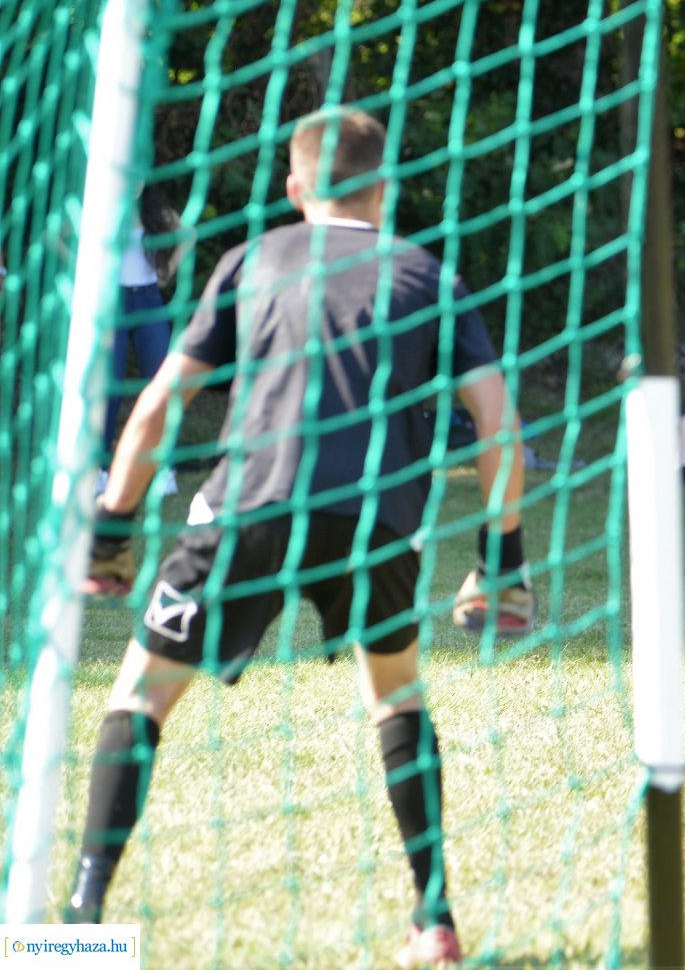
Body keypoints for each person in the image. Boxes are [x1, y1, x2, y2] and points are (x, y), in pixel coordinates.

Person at [68, 107, 530, 969]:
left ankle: (79, 922)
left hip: (251, 503)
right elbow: (497, 425)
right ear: (384, 187)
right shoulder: (428, 273)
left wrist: (114, 528)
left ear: (293, 188)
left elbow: (161, 402)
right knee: (394, 696)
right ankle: (433, 921)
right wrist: (503, 559)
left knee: (139, 695)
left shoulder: (253, 259)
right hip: (377, 520)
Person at [98, 186, 186, 497]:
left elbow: (188, 235)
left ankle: (164, 469)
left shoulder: (155, 212)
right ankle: (100, 469)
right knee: (109, 387)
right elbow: (57, 236)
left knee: (161, 383)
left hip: (148, 299)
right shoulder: (102, 204)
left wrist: (165, 275)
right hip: (114, 302)